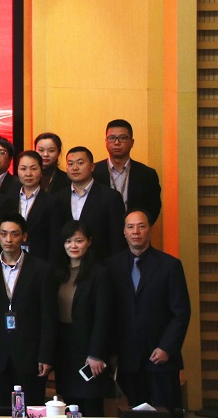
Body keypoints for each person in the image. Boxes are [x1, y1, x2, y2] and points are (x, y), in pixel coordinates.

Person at [108, 210, 191, 415]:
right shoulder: (111, 266)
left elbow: (181, 313)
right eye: (130, 227)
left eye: (141, 226)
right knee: (134, 413)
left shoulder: (170, 265)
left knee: (167, 412)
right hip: (128, 359)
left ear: (149, 230)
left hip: (161, 357)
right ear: (124, 232)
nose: (136, 231)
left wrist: (166, 347)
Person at [0, 214, 55, 409]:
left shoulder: (41, 269)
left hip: (30, 355)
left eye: (14, 234)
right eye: (4, 234)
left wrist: (45, 355)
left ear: (24, 237)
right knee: (2, 409)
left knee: (32, 409)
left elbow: (48, 316)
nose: (9, 239)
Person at [52, 221, 112, 418]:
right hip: (65, 348)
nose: (73, 246)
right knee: (70, 407)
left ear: (89, 242)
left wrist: (96, 353)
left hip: (88, 349)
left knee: (91, 406)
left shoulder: (99, 273)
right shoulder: (58, 272)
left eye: (79, 240)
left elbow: (103, 316)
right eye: (68, 241)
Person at [52, 146, 126, 260]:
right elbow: (55, 236)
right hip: (66, 264)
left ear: (92, 167)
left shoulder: (110, 197)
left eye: (80, 163)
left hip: (100, 263)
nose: (75, 168)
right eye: (70, 164)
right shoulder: (58, 198)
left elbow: (117, 239)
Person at [93, 119, 163, 223]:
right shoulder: (93, 172)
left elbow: (153, 208)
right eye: (112, 138)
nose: (117, 142)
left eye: (122, 138)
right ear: (106, 142)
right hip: (102, 231)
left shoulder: (147, 174)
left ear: (132, 142)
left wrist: (137, 227)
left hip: (135, 231)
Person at [15, 150, 59, 261]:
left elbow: (54, 239)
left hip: (40, 260)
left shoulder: (51, 201)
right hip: (12, 259)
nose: (28, 174)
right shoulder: (9, 200)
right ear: (17, 170)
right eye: (23, 169)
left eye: (33, 169)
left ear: (41, 171)